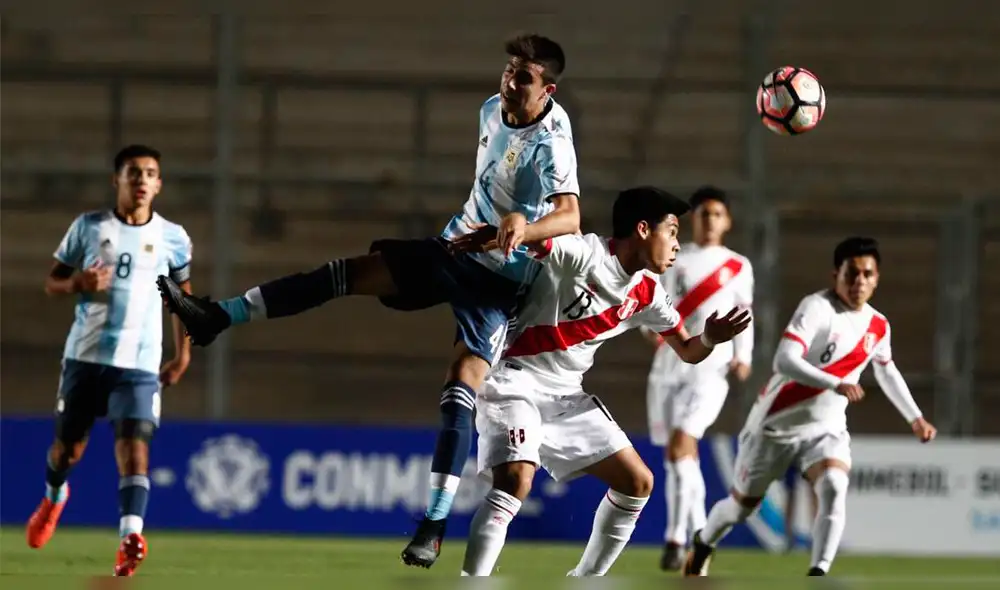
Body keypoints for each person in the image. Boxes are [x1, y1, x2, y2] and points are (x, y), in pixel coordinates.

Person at [155, 34, 581, 568]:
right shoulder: (491, 110)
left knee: (461, 385)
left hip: (498, 282)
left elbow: (571, 218)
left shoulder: (553, 139)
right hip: (453, 247)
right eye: (508, 70)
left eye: (524, 77)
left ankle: (434, 523)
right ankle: (217, 316)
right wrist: (486, 225)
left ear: (548, 88)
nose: (510, 82)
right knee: (348, 274)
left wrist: (525, 225)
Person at [457, 186, 751, 576]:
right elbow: (532, 240)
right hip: (514, 381)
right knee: (516, 480)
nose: (678, 244)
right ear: (644, 230)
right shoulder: (584, 254)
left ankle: (584, 582)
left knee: (638, 482)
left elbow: (689, 350)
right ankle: (471, 582)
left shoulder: (647, 293)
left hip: (564, 395)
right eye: (673, 231)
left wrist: (711, 337)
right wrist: (499, 232)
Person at [683, 237, 937, 577]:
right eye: (852, 273)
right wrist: (836, 382)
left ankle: (819, 572)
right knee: (740, 509)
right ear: (836, 275)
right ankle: (703, 541)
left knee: (834, 486)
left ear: (876, 279)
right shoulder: (817, 308)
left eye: (867, 274)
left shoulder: (878, 325)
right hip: (774, 426)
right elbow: (784, 360)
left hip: (825, 428)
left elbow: (887, 370)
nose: (859, 281)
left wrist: (916, 418)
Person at [26, 145, 193, 577]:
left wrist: (182, 354)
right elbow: (52, 282)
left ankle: (129, 539)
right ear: (116, 180)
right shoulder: (89, 227)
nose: (141, 180)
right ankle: (54, 494)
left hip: (139, 365)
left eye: (149, 173)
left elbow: (182, 300)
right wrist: (78, 281)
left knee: (134, 451)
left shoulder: (173, 238)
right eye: (133, 173)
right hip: (85, 356)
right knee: (68, 451)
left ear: (159, 184)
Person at [640, 186, 754, 570]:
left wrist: (744, 355)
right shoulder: (676, 257)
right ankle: (701, 535)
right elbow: (656, 302)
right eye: (703, 213)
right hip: (670, 364)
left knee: (679, 447)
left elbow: (744, 313)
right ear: (693, 219)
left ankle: (674, 539)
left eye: (717, 214)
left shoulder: (738, 266)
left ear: (728, 221)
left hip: (711, 367)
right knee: (679, 460)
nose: (710, 220)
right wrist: (648, 327)